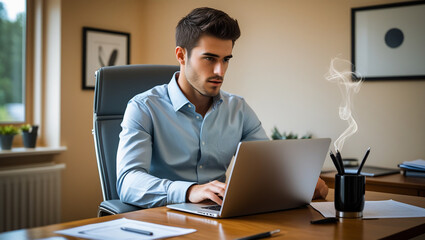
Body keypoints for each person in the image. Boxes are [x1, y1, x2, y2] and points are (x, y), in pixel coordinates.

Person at [116, 7, 328, 208]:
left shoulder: (238, 109)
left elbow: (268, 167)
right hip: (162, 218)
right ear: (181, 55)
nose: (220, 70)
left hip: (218, 216)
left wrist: (301, 181)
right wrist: (190, 191)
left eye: (226, 60)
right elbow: (127, 182)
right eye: (209, 58)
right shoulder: (143, 108)